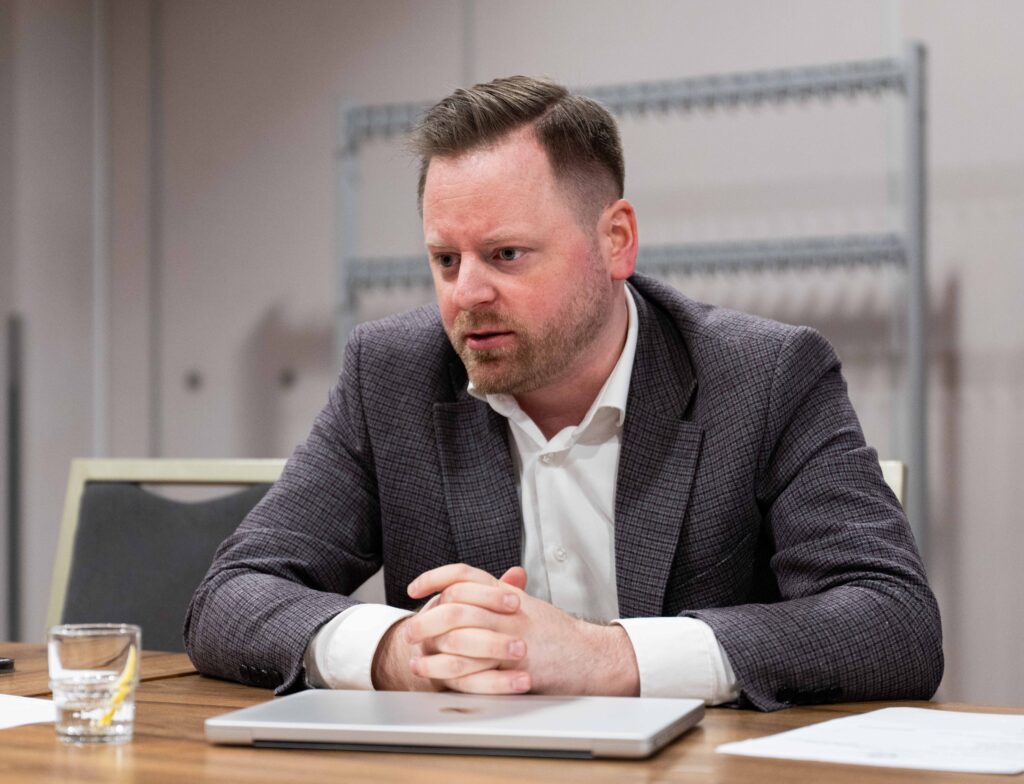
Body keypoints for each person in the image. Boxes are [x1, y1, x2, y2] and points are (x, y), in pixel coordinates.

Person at [184, 76, 943, 710]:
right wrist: (397, 651)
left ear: (616, 241)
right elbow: (232, 594)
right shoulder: (392, 374)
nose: (466, 294)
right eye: (445, 260)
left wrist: (603, 658)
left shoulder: (766, 375)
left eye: (507, 254)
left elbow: (894, 622)